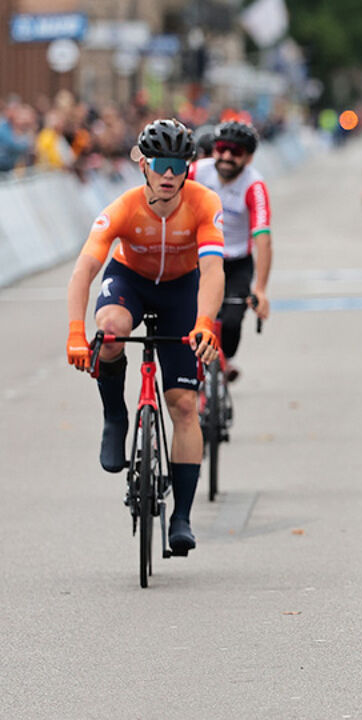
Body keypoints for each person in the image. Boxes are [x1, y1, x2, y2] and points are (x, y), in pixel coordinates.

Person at [64, 118, 225, 555]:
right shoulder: (123, 207)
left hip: (181, 291)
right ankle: (115, 416)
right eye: (161, 164)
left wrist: (204, 322)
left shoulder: (203, 202)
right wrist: (78, 332)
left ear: (188, 167)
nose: (170, 174)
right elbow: (84, 269)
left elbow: (212, 270)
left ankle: (182, 517)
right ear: (145, 167)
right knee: (111, 332)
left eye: (178, 164)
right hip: (130, 281)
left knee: (184, 405)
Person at [191, 120, 272, 380]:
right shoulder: (196, 172)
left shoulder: (254, 185)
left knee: (233, 321)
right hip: (200, 257)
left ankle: (226, 362)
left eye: (235, 152)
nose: (226, 156)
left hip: (237, 261)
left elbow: (263, 238)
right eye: (222, 148)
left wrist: (259, 288)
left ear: (248, 158)